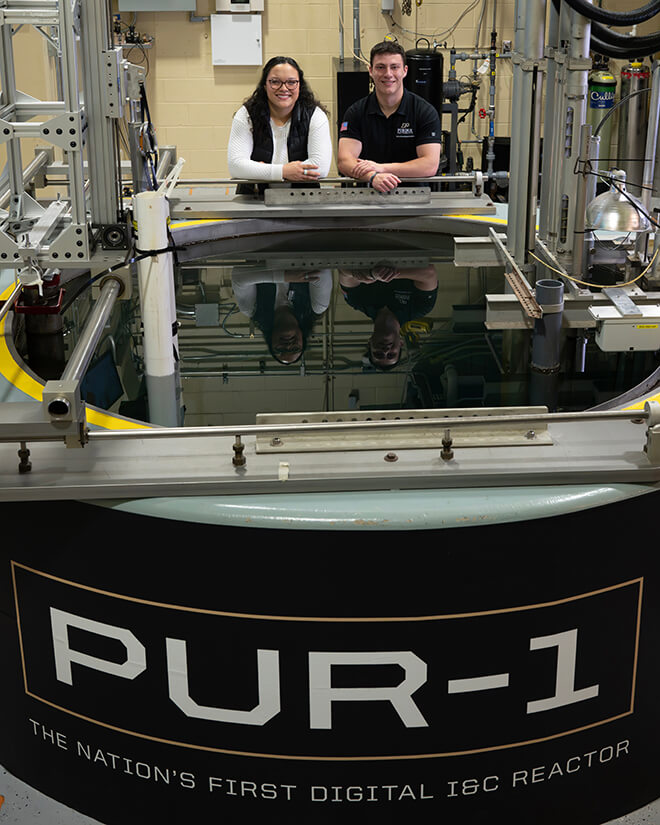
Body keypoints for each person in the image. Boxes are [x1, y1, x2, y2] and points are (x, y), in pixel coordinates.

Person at [337, 41, 441, 193]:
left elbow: (429, 165)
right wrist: (373, 176)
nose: (388, 74)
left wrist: (382, 168)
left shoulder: (424, 112)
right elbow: (344, 161)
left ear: (405, 71)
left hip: (414, 198)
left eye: (394, 67)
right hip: (367, 197)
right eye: (380, 67)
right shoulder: (356, 112)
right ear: (370, 71)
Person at [228, 56, 332, 195]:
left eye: (291, 82)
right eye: (275, 82)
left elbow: (321, 168)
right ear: (265, 85)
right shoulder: (247, 114)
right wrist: (283, 171)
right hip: (254, 199)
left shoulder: (315, 115)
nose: (284, 88)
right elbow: (236, 166)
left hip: (304, 202)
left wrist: (261, 170)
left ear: (299, 85)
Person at [339, 264, 438, 370]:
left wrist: (371, 274)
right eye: (391, 355)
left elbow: (343, 271)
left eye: (378, 354)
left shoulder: (356, 301)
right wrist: (383, 275)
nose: (385, 351)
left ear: (369, 343)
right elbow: (429, 272)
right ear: (401, 343)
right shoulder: (420, 307)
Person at [231, 268, 333, 364]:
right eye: (295, 349)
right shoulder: (317, 307)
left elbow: (238, 275)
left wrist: (285, 276)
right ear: (303, 340)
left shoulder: (252, 309)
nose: (288, 346)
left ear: (270, 342)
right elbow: (322, 271)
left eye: (280, 350)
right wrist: (264, 274)